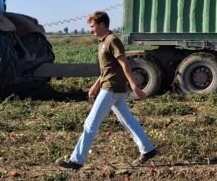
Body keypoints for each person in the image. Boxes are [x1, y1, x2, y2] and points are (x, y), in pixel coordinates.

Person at [56, 10, 157, 169]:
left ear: (102, 24)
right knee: (127, 119)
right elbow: (107, 69)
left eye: (93, 26)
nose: (91, 30)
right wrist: (96, 85)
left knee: (91, 123)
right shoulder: (103, 41)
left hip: (111, 88)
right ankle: (148, 149)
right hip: (109, 86)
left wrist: (134, 86)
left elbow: (124, 64)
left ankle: (76, 160)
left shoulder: (112, 41)